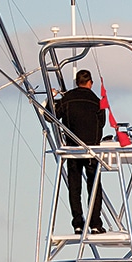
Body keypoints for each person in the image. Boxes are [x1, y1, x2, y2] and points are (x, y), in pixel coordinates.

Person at [55, 69, 106, 234]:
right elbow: (102, 123)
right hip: (92, 149)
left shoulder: (67, 99)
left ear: (77, 82)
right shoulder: (97, 101)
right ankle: (95, 224)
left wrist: (51, 98)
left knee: (74, 187)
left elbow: (51, 116)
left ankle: (78, 222)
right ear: (90, 82)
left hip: (72, 149)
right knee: (94, 186)